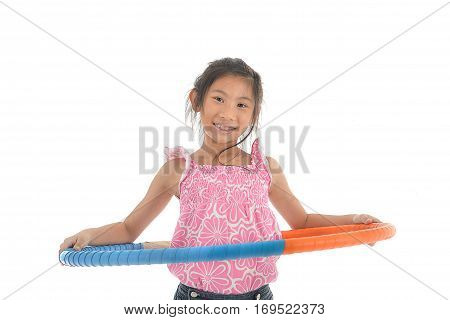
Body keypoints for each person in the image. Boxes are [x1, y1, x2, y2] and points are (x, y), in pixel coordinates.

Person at [59, 57, 382, 300]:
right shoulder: (178, 169)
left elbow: (303, 221)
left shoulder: (265, 168)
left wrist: (354, 222)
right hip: (195, 298)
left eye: (242, 104)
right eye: (218, 99)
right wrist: (89, 234)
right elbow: (130, 229)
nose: (228, 114)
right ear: (196, 101)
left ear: (253, 114)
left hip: (258, 296)